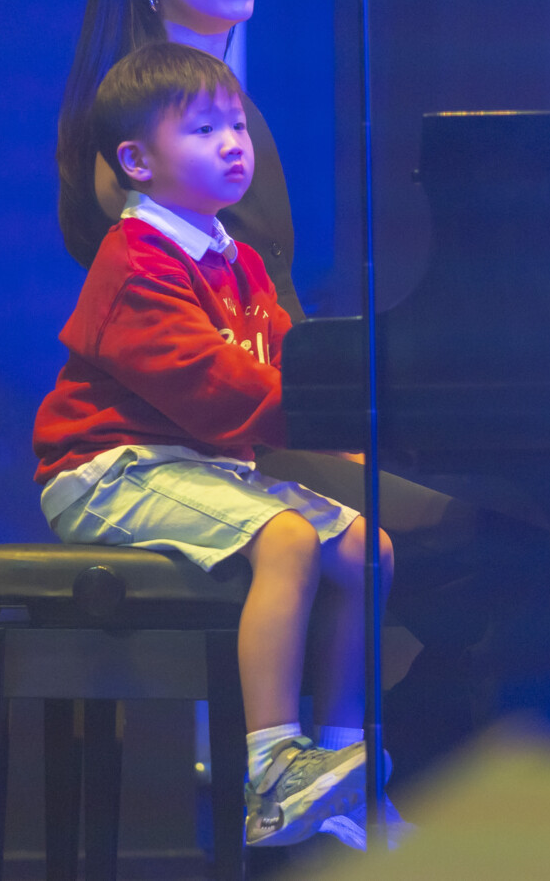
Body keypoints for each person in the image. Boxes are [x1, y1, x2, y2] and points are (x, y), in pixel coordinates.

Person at [55, 0, 550, 775]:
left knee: (519, 541)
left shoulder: (223, 109)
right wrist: (337, 426)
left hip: (274, 409)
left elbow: (274, 310)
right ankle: (350, 780)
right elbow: (190, 358)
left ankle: (366, 771)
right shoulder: (137, 135)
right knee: (500, 555)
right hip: (215, 438)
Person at [35, 42, 395, 847]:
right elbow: (213, 386)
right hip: (108, 470)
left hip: (188, 466)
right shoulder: (136, 260)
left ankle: (338, 772)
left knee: (370, 548)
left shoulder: (237, 261)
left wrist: (341, 435)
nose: (235, 142)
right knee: (291, 537)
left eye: (237, 125)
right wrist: (329, 421)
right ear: (137, 160)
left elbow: (270, 369)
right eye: (204, 130)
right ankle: (270, 769)